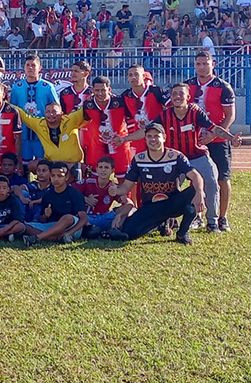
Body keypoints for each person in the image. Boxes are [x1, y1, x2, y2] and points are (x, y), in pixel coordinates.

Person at [136, 83, 241, 233]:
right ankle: (167, 221)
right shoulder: (165, 115)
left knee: (211, 182)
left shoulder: (195, 111)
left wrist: (231, 138)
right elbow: (147, 131)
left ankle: (212, 221)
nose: (177, 97)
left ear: (188, 96)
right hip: (175, 158)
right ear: (171, 98)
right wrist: (125, 138)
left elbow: (214, 128)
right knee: (167, 187)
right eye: (174, 94)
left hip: (197, 155)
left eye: (181, 94)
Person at [103, 124, 205, 246]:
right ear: (145, 139)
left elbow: (195, 175)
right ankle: (161, 223)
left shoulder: (176, 156)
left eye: (157, 136)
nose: (153, 140)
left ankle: (183, 232)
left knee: (197, 190)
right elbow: (126, 186)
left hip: (173, 203)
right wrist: (117, 191)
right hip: (151, 206)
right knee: (128, 233)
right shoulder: (139, 159)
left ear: (164, 137)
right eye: (149, 136)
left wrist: (199, 192)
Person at [185, 53, 237, 232]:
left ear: (212, 64)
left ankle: (222, 218)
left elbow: (230, 116)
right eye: (198, 64)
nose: (201, 67)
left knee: (222, 178)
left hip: (218, 140)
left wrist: (212, 136)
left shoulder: (223, 87)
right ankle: (197, 216)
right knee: (196, 178)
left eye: (205, 63)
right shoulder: (188, 85)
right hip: (195, 141)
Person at [22, 162, 88, 246]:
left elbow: (83, 218)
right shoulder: (48, 194)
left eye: (60, 176)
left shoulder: (74, 193)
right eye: (53, 176)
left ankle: (37, 238)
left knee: (67, 217)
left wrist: (69, 233)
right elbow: (42, 220)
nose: (56, 179)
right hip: (53, 225)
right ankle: (56, 238)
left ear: (66, 177)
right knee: (26, 226)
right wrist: (45, 215)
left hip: (73, 227)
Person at [10, 54, 60, 163]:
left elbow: (56, 109)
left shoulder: (47, 87)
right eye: (28, 65)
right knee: (24, 165)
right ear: (24, 68)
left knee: (43, 164)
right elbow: (12, 110)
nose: (30, 68)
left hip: (42, 133)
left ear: (40, 68)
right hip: (23, 133)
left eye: (33, 65)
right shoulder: (17, 87)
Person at [81, 76, 133, 178]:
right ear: (92, 90)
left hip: (119, 145)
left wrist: (127, 138)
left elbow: (131, 120)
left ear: (109, 89)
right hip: (99, 146)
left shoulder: (120, 102)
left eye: (103, 90)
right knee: (97, 178)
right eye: (97, 90)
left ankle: (123, 195)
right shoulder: (88, 104)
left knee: (123, 177)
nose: (100, 93)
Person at [74, 156, 134, 238]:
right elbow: (71, 192)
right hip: (88, 217)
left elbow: (129, 203)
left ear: (112, 171)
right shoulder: (88, 181)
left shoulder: (113, 187)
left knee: (126, 209)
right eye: (100, 167)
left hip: (104, 217)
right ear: (97, 169)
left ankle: (114, 230)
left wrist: (119, 214)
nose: (103, 170)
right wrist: (85, 199)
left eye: (106, 167)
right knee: (75, 215)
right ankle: (92, 230)